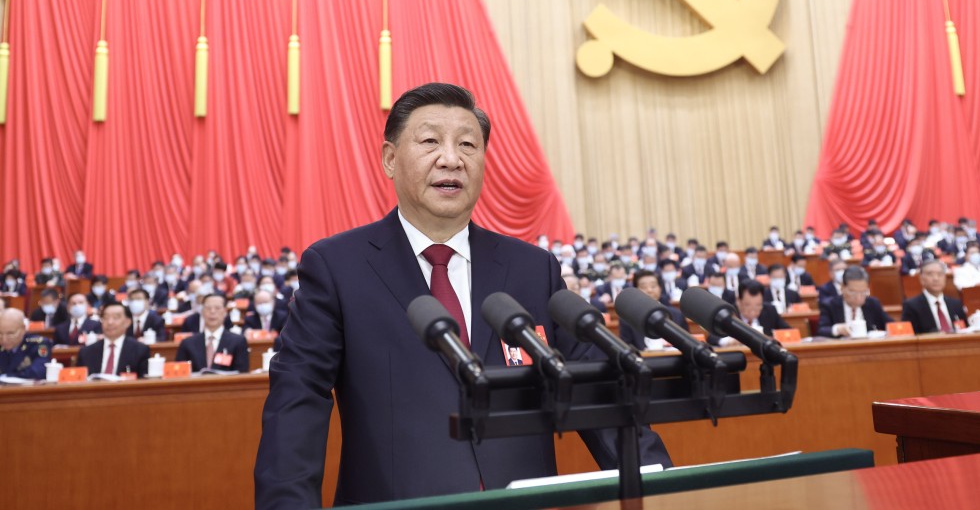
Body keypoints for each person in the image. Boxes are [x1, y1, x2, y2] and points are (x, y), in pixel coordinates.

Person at [255, 83, 670, 507]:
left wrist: (663, 488)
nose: (451, 159)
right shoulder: (337, 267)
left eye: (468, 144)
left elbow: (598, 392)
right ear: (390, 159)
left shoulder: (532, 269)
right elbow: (297, 402)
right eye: (431, 141)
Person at [176, 293, 249, 373]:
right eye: (208, 308)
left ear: (225, 312)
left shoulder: (238, 341)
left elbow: (242, 373)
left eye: (217, 308)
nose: (212, 312)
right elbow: (180, 374)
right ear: (202, 312)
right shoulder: (188, 343)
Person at [619, 271, 689, 351]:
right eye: (644, 287)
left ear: (660, 288)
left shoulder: (677, 314)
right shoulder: (628, 319)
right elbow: (626, 347)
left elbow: (686, 344)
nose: (649, 290)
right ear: (636, 291)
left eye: (653, 286)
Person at [708, 281, 789, 347]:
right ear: (738, 301)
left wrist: (770, 338)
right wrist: (728, 341)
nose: (753, 311)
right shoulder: (727, 313)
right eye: (747, 305)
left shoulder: (770, 310)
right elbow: (712, 337)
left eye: (758, 305)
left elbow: (788, 331)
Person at [77, 302, 150, 375]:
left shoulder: (140, 350)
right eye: (105, 318)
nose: (110, 322)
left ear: (128, 322)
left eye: (115, 318)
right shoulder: (86, 352)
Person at [817, 266, 892, 337]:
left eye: (863, 292)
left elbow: (890, 325)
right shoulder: (830, 305)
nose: (858, 297)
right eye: (853, 292)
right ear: (843, 287)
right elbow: (821, 330)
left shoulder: (873, 304)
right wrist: (838, 329)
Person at [901, 259, 967, 334]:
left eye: (940, 274)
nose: (936, 278)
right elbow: (909, 336)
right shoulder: (911, 306)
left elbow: (965, 330)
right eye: (930, 274)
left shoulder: (956, 304)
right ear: (921, 279)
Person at [0, 308, 52, 379]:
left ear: (23, 329)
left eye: (10, 334)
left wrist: (11, 375)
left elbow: (38, 371)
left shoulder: (38, 344)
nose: (4, 339)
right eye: (0, 333)